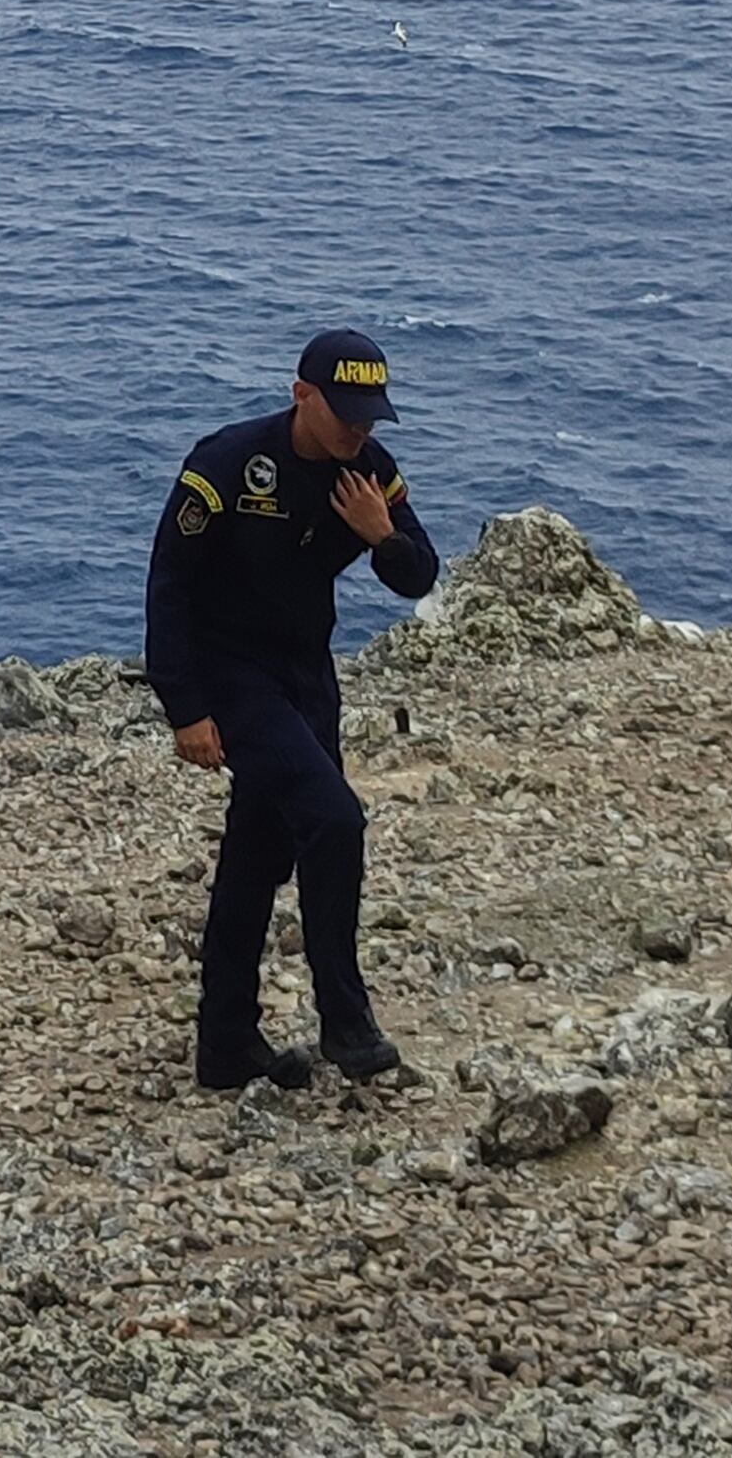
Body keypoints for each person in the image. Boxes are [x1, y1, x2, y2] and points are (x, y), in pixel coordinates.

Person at [143, 326, 439, 1093]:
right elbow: (169, 584)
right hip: (232, 674)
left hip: (308, 675)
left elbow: (419, 574)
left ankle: (226, 1041)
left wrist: (381, 537)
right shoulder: (230, 464)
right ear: (301, 394)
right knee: (334, 818)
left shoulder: (369, 472)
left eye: (370, 415)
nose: (357, 429)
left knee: (259, 849)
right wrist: (186, 707)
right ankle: (347, 1020)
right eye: (344, 412)